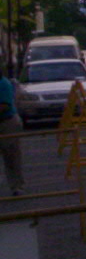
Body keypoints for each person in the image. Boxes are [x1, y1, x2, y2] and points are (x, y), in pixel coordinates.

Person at [0, 65, 25, 196]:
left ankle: (17, 186)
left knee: (11, 156)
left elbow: (4, 105)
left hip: (7, 122)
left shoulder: (3, 84)